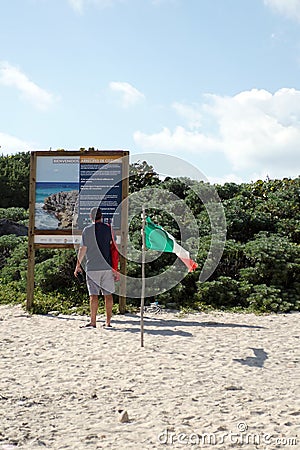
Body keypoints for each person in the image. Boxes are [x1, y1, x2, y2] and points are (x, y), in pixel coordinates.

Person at [74, 207, 118, 329]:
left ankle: (93, 322)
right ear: (101, 216)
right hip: (107, 267)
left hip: (92, 267)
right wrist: (115, 268)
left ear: (90, 217)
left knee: (93, 296)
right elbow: (113, 247)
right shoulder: (108, 230)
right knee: (108, 295)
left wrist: (78, 265)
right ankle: (108, 322)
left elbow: (83, 249)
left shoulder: (87, 231)